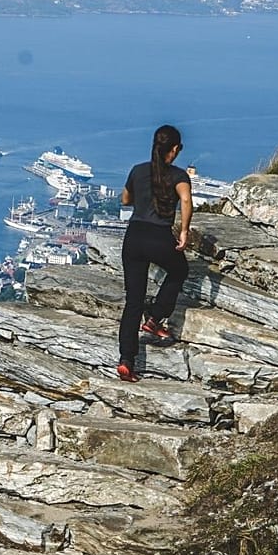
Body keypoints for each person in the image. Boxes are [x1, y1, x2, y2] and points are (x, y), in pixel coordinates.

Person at [116, 124, 192, 382]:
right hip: (159, 237)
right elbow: (186, 200)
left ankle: (126, 360)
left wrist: (144, 198)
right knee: (180, 270)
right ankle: (156, 316)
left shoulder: (138, 171)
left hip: (134, 237)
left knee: (133, 301)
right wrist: (184, 231)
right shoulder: (178, 176)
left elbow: (125, 200)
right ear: (175, 149)